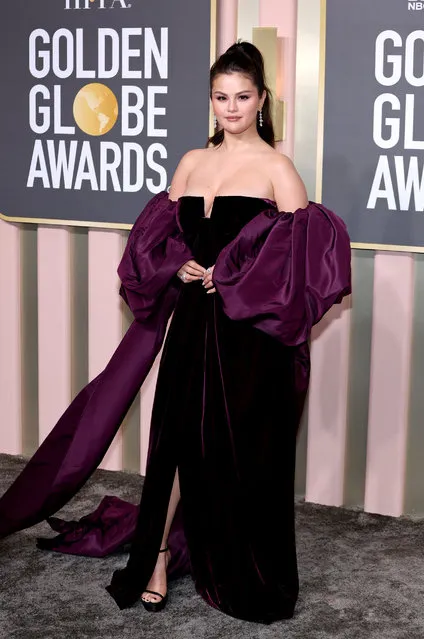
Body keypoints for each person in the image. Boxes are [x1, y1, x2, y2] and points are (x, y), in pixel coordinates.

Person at [0, 42, 351, 625]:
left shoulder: (277, 169)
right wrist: (180, 265)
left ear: (262, 100)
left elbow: (303, 266)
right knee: (175, 440)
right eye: (221, 97)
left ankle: (241, 564)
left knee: (239, 452)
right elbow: (151, 247)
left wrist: (234, 277)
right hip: (192, 321)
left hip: (248, 337)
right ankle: (156, 554)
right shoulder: (191, 162)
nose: (231, 108)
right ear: (210, 100)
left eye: (242, 97)